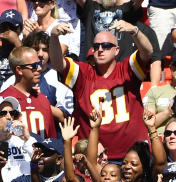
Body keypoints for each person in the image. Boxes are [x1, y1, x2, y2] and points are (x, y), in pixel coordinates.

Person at [48, 22, 151, 162]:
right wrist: (54, 37)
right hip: (96, 160)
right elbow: (57, 64)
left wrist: (135, 31)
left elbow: (147, 52)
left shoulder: (127, 69)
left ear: (116, 50)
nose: (100, 49)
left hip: (133, 158)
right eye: (96, 46)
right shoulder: (83, 74)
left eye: (107, 46)